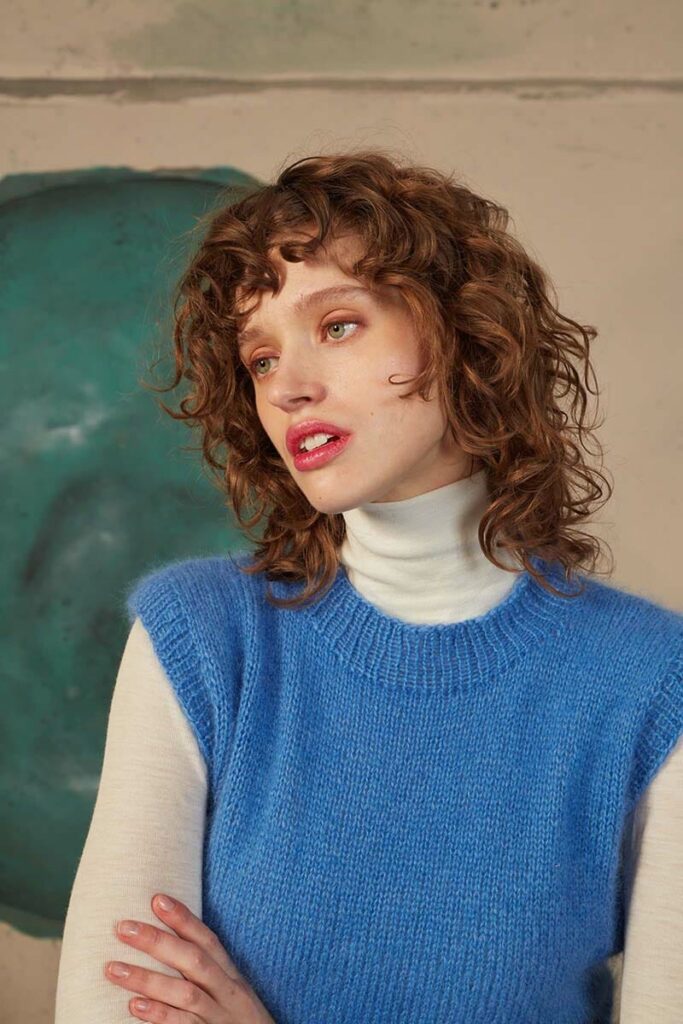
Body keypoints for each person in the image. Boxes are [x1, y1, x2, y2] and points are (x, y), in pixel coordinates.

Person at [55, 150, 683, 1023]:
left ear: (465, 336)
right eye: (260, 358)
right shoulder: (198, 637)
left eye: (338, 325)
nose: (289, 388)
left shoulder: (650, 680)